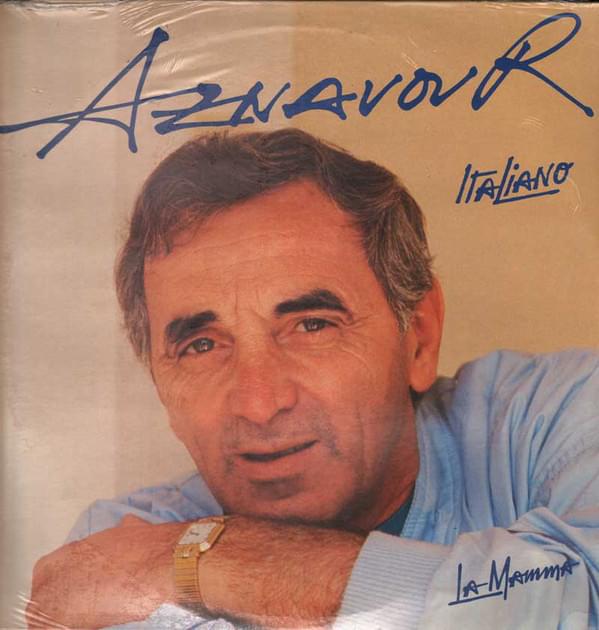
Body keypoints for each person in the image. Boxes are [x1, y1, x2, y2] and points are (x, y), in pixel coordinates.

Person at [27, 129, 599, 630]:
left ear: (419, 337)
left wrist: (198, 559)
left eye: (312, 325)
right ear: (160, 385)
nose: (259, 403)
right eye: (201, 346)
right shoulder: (118, 538)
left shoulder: (561, 419)